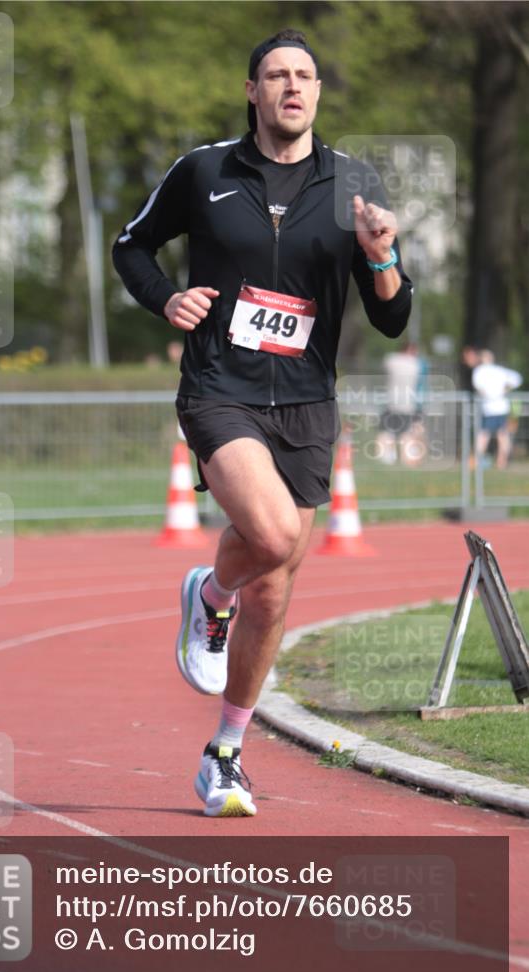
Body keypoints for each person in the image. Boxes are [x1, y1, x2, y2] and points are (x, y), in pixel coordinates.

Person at [113, 28, 412, 817]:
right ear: (251, 90)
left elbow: (392, 319)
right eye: (276, 75)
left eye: (304, 76)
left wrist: (379, 255)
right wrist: (165, 300)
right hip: (220, 387)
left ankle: (225, 755)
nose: (291, 87)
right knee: (273, 538)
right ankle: (210, 594)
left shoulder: (352, 182)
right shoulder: (204, 170)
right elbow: (131, 246)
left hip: (308, 402)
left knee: (274, 592)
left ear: (316, 92)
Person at [464, 348, 523, 469]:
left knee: (485, 435)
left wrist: (493, 393)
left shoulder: (480, 371)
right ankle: (501, 462)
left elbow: (479, 387)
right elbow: (517, 378)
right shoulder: (498, 371)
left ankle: (478, 459)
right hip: (500, 407)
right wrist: (504, 389)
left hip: (490, 408)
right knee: (502, 435)